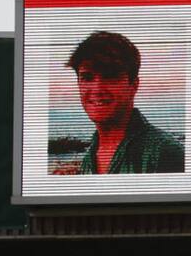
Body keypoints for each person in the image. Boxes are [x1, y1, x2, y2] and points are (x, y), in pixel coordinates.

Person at [65, 31, 184, 175]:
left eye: (110, 76)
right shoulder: (89, 157)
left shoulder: (164, 153)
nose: (97, 89)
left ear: (134, 85)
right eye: (87, 78)